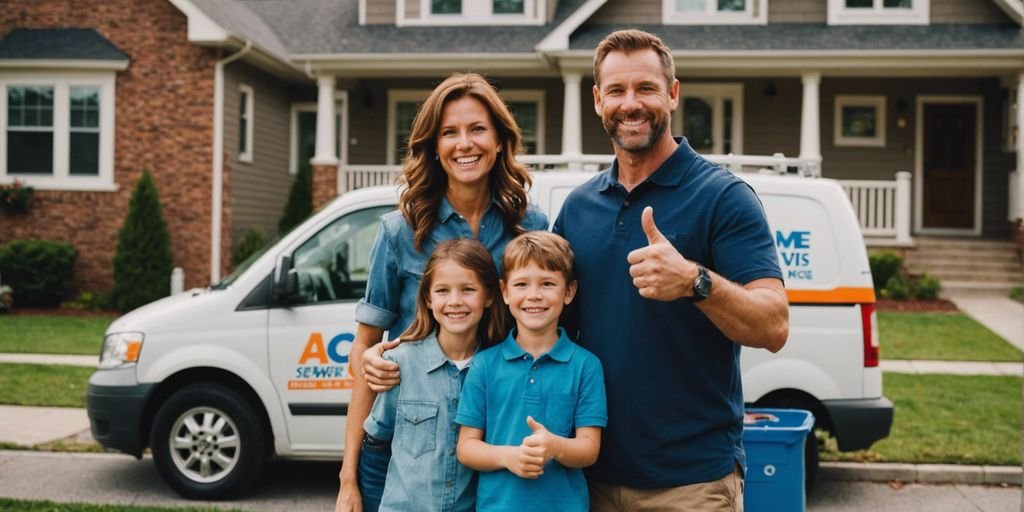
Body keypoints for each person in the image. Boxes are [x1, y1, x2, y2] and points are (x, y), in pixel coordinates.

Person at [551, 29, 789, 511]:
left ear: (673, 94)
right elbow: (549, 328)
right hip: (588, 479)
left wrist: (694, 282)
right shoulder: (577, 210)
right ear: (598, 101)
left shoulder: (723, 198)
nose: (630, 103)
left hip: (690, 484)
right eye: (616, 91)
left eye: (646, 88)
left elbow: (774, 324)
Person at [335, 73, 549, 512]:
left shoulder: (530, 228)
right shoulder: (399, 231)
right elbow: (365, 345)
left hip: (492, 437)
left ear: (500, 140)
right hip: (401, 447)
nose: (464, 144)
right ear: (433, 146)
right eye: (449, 132)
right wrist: (347, 478)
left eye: (477, 129)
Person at [455, 231, 606, 511]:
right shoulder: (484, 365)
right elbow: (466, 448)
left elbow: (589, 449)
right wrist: (509, 457)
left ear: (569, 291)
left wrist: (554, 447)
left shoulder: (586, 365)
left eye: (548, 284)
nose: (534, 295)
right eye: (522, 284)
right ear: (505, 292)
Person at [364, 238, 509, 512]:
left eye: (468, 290)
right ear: (429, 298)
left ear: (489, 296)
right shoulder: (400, 364)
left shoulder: (499, 369)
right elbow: (376, 446)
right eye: (443, 291)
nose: (455, 301)